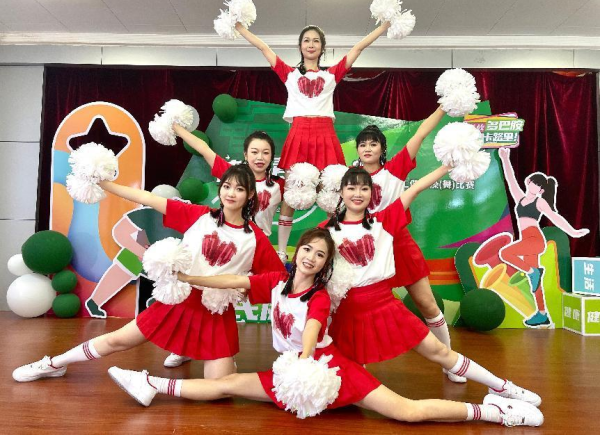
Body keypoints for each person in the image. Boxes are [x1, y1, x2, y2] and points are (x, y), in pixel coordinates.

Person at [108, 228, 543, 427]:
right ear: (297, 252)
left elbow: (313, 332)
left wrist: (304, 361)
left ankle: (495, 412)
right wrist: (188, 277)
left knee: (406, 412)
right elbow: (231, 281)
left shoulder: (317, 297)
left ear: (324, 265)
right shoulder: (274, 282)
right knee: (228, 385)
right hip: (291, 373)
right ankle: (150, 384)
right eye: (308, 250)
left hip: (328, 369)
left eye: (320, 255)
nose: (311, 258)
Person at [13, 164, 285, 383]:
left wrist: (242, 285)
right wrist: (103, 184)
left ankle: (191, 359)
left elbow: (279, 279)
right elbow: (148, 198)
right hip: (178, 299)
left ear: (250, 195)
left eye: (239, 188)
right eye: (226, 186)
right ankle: (54, 363)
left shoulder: (255, 239)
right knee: (118, 340)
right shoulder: (200, 215)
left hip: (215, 312)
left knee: (220, 387)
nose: (231, 193)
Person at [322, 168, 542, 407]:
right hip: (347, 313)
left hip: (384, 306)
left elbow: (416, 188)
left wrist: (447, 166)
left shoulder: (385, 219)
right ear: (341, 192)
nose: (357, 193)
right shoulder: (325, 230)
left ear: (371, 193)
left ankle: (502, 386)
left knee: (440, 352)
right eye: (351, 188)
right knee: (349, 376)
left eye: (364, 188)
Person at [236, 21, 391, 262]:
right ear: (300, 46)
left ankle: (338, 248)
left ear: (322, 47)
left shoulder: (331, 75)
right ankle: (281, 251)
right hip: (299, 133)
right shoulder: (289, 74)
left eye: (316, 41)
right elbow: (264, 48)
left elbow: (358, 48)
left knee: (332, 194)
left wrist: (383, 27)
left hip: (325, 133)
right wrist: (240, 28)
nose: (311, 44)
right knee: (292, 192)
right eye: (306, 40)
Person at [354, 109, 464, 382]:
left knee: (427, 304)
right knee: (359, 309)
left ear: (382, 149)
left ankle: (450, 362)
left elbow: (421, 133)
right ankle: (358, 366)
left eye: (373, 144)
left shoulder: (395, 169)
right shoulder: (349, 178)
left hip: (399, 244)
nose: (367, 148)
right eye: (362, 144)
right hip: (366, 249)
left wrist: (443, 107)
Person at [498, 147, 589, 327]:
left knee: (505, 253)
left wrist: (573, 231)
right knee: (535, 283)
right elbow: (511, 180)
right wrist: (504, 158)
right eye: (534, 183)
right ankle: (542, 313)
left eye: (539, 186)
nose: (535, 186)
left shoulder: (539, 202)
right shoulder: (520, 198)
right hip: (526, 239)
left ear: (540, 190)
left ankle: (533, 272)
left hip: (535, 239)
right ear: (529, 182)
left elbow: (555, 216)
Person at [173, 125, 284, 242]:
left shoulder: (280, 185)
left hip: (260, 243)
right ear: (246, 155)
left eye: (265, 153)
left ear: (271, 156)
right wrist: (176, 127)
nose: (260, 157)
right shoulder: (231, 174)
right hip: (227, 240)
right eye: (254, 152)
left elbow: (288, 214)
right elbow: (203, 148)